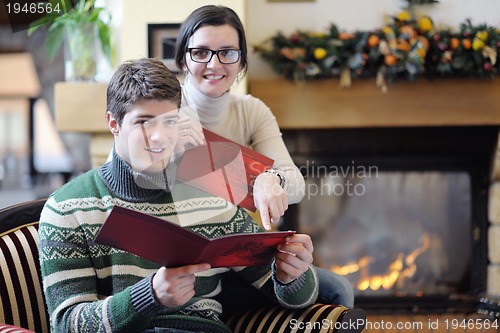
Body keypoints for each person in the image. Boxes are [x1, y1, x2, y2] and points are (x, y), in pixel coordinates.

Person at [38, 58, 319, 333]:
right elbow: (66, 324)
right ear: (114, 123)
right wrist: (148, 297)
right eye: (144, 122)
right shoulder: (67, 208)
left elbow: (293, 295)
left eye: (169, 121)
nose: (160, 137)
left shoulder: (213, 197)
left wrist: (291, 275)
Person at [173, 5, 354, 308]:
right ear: (183, 58)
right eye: (201, 52)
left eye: (227, 52)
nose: (214, 63)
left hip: (239, 260)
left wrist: (269, 178)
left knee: (337, 289)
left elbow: (296, 186)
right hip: (185, 262)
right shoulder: (165, 110)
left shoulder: (251, 111)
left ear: (241, 60)